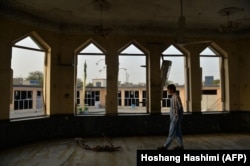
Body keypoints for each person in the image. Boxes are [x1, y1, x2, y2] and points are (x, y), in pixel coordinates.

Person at [158, 84, 184, 150]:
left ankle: (165, 147)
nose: (168, 91)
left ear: (171, 89)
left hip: (175, 118)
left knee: (171, 132)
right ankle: (181, 146)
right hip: (175, 117)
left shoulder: (176, 97)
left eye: (168, 89)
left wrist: (177, 116)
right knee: (178, 133)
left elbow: (180, 107)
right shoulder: (173, 97)